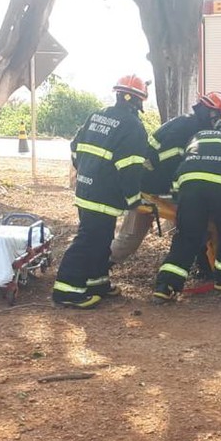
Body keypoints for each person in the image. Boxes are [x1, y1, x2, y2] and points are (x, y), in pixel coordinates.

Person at [52, 75, 150, 309]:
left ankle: (97, 283)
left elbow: (75, 148)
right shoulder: (133, 126)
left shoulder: (97, 115)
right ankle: (66, 290)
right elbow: (130, 168)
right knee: (89, 239)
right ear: (138, 101)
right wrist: (134, 199)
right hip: (104, 194)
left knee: (101, 239)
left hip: (86, 188)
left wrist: (86, 172)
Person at [109, 91, 221, 264]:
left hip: (158, 184)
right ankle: (97, 266)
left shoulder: (193, 125)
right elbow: (170, 164)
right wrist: (180, 192)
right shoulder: (186, 128)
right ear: (208, 111)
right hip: (150, 187)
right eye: (218, 115)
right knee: (129, 238)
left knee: (196, 227)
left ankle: (202, 265)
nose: (219, 121)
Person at [153, 110, 221, 303]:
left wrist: (181, 199)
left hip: (189, 185)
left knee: (186, 236)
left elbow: (184, 164)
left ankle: (165, 286)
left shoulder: (198, 135)